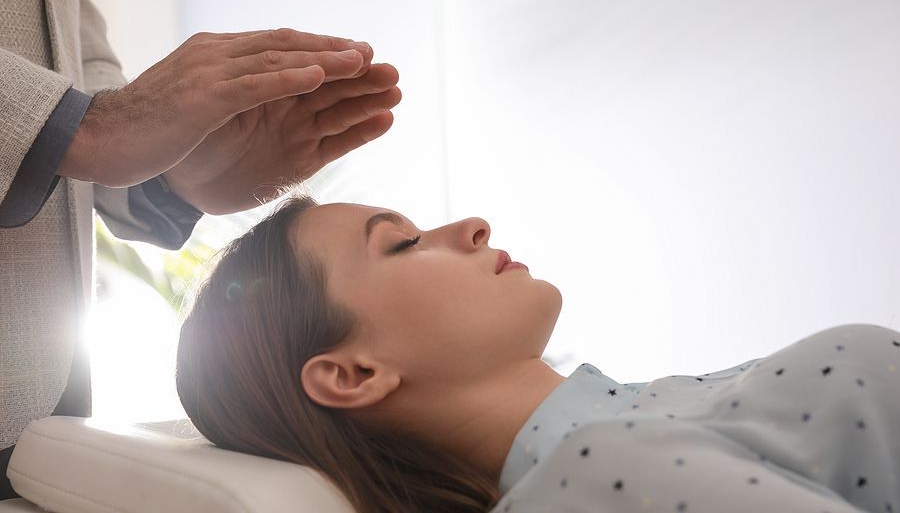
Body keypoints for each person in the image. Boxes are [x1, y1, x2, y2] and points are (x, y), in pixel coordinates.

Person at [0, 0, 400, 499]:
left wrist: (169, 172)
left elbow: (68, 50)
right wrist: (90, 128)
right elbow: (84, 121)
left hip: (40, 406)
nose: (476, 227)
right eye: (400, 245)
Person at [176, 195, 900, 513]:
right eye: (403, 243)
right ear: (354, 374)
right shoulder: (599, 480)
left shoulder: (649, 424)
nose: (471, 226)